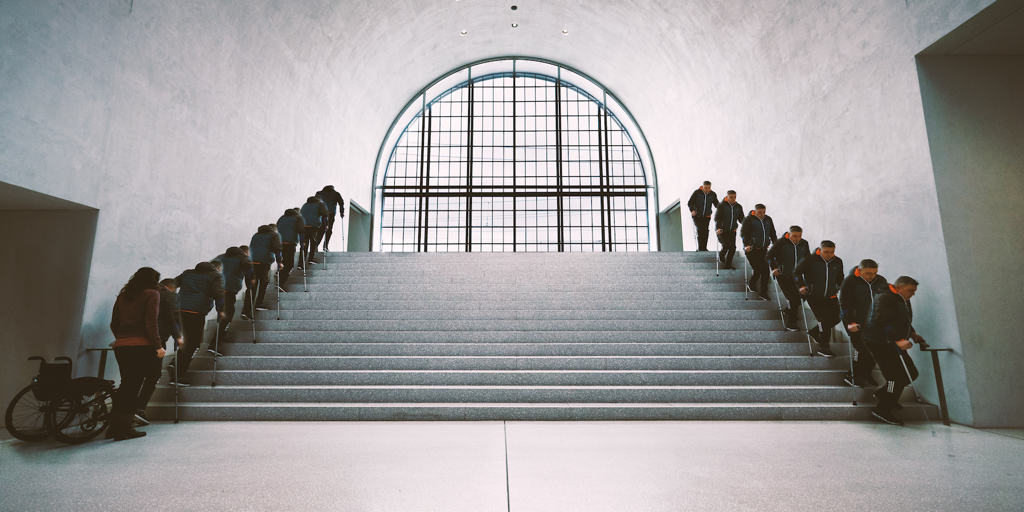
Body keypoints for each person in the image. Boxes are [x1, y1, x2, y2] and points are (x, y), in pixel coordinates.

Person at [107, 267, 163, 440]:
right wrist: (158, 346)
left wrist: (122, 339)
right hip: (141, 346)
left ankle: (113, 427)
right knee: (133, 386)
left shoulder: (123, 296)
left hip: (122, 346)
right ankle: (124, 428)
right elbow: (150, 322)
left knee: (126, 385)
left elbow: (114, 323)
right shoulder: (152, 294)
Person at [863, 276, 928, 425]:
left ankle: (884, 394)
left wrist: (912, 334)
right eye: (910, 290)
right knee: (895, 378)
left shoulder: (901, 298)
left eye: (914, 291)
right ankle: (882, 410)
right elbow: (883, 320)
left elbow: (903, 319)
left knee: (911, 373)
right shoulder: (885, 297)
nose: (913, 294)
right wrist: (898, 339)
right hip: (880, 342)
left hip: (892, 342)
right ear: (898, 287)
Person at [166, 261, 224, 386]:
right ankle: (178, 376)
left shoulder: (188, 273)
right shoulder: (216, 276)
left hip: (179, 310)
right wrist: (221, 309)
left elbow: (172, 285)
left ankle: (174, 363)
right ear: (217, 268)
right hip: (195, 312)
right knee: (193, 343)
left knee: (186, 341)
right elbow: (217, 293)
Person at [134, 278, 182, 426]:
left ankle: (125, 409)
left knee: (134, 376)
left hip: (134, 338)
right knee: (153, 374)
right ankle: (138, 408)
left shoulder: (140, 293)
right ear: (171, 287)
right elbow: (172, 317)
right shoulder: (169, 295)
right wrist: (177, 336)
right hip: (156, 339)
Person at [839, 259, 889, 388]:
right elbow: (844, 303)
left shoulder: (881, 281)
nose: (872, 276)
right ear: (860, 271)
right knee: (861, 349)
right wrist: (850, 322)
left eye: (875, 272)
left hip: (874, 323)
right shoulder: (850, 281)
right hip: (855, 321)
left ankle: (865, 373)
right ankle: (851, 375)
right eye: (869, 273)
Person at [794, 240, 844, 357]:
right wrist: (801, 286)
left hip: (831, 296)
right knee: (825, 320)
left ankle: (814, 331)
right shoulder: (810, 260)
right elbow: (797, 272)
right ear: (820, 250)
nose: (829, 254)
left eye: (832, 252)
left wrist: (839, 286)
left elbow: (840, 276)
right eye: (826, 252)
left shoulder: (837, 261)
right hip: (814, 296)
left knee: (837, 318)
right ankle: (824, 347)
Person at [767, 226, 811, 331]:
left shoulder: (804, 243)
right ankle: (791, 324)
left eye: (799, 236)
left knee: (806, 294)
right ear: (789, 234)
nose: (797, 238)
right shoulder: (781, 243)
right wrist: (774, 268)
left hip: (797, 276)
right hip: (783, 275)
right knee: (793, 298)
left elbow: (807, 258)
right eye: (794, 236)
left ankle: (788, 310)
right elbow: (769, 256)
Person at [213, 246, 253, 349]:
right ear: (246, 252)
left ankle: (220, 336)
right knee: (227, 315)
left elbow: (210, 265)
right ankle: (214, 344)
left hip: (217, 290)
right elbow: (249, 268)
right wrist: (252, 280)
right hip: (228, 290)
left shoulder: (221, 257)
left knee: (228, 312)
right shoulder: (243, 258)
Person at [242, 224, 282, 320]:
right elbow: (277, 248)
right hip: (262, 262)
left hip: (251, 262)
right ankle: (259, 303)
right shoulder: (274, 235)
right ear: (274, 229)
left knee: (252, 287)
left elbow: (251, 247)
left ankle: (245, 311)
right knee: (264, 282)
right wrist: (279, 261)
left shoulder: (256, 235)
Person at [740, 203, 777, 300]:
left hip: (764, 249)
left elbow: (772, 232)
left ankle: (763, 293)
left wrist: (776, 244)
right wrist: (746, 245)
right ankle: (752, 283)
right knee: (758, 268)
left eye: (764, 212)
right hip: (752, 250)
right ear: (755, 211)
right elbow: (744, 233)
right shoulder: (749, 219)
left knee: (765, 271)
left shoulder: (768, 219)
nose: (762, 214)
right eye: (760, 212)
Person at [714, 191, 744, 270]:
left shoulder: (738, 207)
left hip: (732, 231)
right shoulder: (722, 205)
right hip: (722, 231)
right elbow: (717, 217)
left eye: (734, 197)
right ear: (727, 197)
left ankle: (728, 265)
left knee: (733, 248)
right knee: (726, 244)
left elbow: (741, 218)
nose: (733, 199)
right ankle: (721, 254)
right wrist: (718, 228)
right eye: (731, 197)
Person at [687, 181, 719, 252]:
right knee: (700, 230)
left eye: (709, 188)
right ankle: (700, 247)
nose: (707, 189)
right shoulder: (697, 193)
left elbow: (716, 204)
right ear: (702, 187)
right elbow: (690, 202)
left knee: (705, 231)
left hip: (707, 216)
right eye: (705, 188)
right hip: (697, 215)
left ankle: (704, 247)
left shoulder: (713, 194)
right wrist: (692, 210)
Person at [276, 208, 304, 285]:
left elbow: (277, 227)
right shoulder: (298, 218)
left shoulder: (282, 217)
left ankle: (277, 273)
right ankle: (280, 283)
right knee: (289, 265)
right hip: (290, 243)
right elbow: (300, 230)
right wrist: (303, 242)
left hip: (279, 242)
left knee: (284, 261)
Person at [300, 196, 328, 264]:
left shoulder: (305, 205)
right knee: (313, 242)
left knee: (304, 244)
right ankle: (311, 259)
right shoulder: (320, 204)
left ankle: (300, 263)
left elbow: (301, 213)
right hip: (313, 225)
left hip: (304, 225)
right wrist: (326, 224)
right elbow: (325, 215)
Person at [319, 185, 345, 252]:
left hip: (320, 214)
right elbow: (341, 203)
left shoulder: (319, 193)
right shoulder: (336, 194)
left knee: (320, 230)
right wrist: (342, 212)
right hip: (330, 214)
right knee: (329, 230)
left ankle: (316, 245)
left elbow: (316, 203)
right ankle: (325, 245)